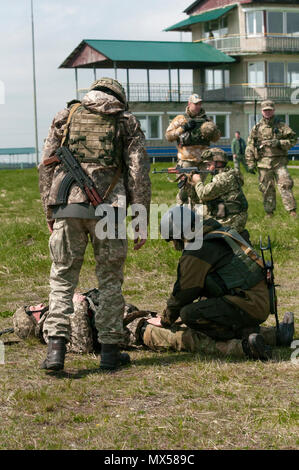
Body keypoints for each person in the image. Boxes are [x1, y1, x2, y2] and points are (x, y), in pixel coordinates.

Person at [38, 77, 151, 372]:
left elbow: (45, 165)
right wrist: (140, 218)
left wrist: (50, 210)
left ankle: (56, 351)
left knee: (62, 279)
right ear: (118, 97)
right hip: (110, 211)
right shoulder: (126, 121)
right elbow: (138, 172)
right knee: (110, 281)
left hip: (68, 208)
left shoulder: (66, 116)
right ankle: (110, 353)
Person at [151, 206, 275, 360]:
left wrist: (166, 319)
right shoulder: (219, 232)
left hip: (249, 304)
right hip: (260, 299)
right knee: (205, 303)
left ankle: (242, 339)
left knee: (189, 314)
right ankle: (277, 334)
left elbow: (183, 292)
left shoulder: (197, 249)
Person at [165, 93, 220, 204]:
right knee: (185, 189)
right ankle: (180, 211)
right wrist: (183, 128)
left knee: (199, 189)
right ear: (189, 104)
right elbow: (168, 136)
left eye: (200, 104)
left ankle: (196, 216)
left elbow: (216, 138)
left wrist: (211, 132)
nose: (198, 106)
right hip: (186, 161)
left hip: (203, 161)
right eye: (195, 104)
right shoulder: (181, 119)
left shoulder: (207, 120)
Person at [245, 100, 297, 218]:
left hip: (279, 162)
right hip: (263, 163)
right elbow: (250, 146)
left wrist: (279, 143)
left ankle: (292, 211)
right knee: (267, 188)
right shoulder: (256, 128)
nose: (267, 112)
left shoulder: (282, 126)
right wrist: (250, 163)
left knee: (285, 184)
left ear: (273, 110)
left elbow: (293, 139)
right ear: (261, 111)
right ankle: (269, 212)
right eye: (265, 110)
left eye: (269, 110)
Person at [189, 147, 250, 241]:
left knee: (194, 235)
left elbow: (204, 195)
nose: (207, 168)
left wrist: (197, 181)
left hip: (230, 222)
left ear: (219, 163)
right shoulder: (227, 174)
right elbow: (201, 200)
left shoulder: (223, 178)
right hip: (231, 218)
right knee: (196, 213)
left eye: (209, 164)